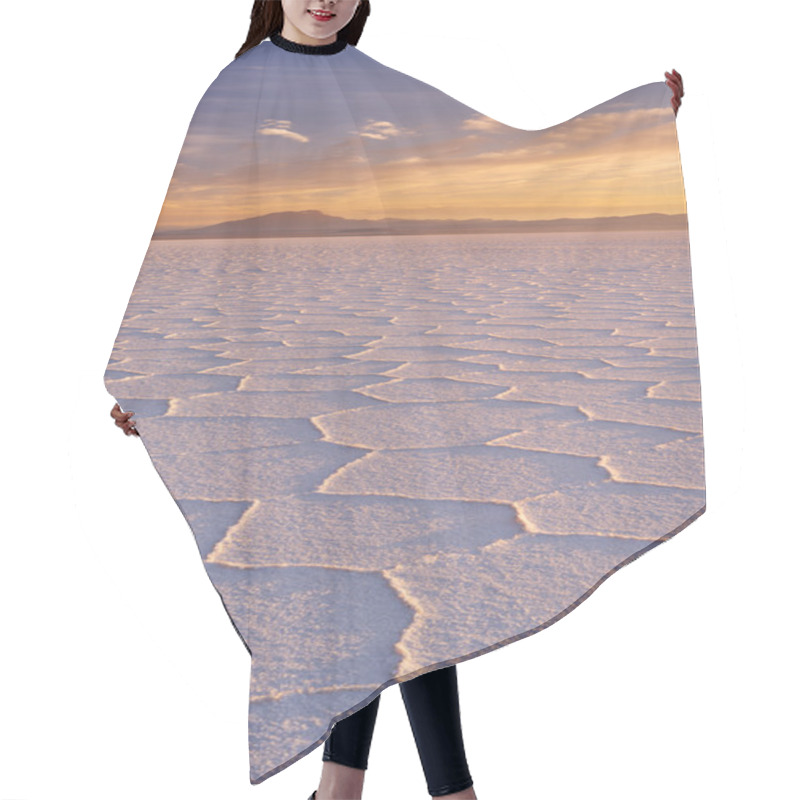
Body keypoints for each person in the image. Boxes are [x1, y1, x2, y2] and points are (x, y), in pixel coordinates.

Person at [110, 2, 685, 798]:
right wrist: (154, 366)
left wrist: (630, 132)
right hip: (291, 380)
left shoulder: (379, 86)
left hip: (391, 377)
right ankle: (430, 792)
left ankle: (349, 790)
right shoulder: (236, 90)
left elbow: (494, 176)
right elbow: (193, 238)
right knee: (364, 582)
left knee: (412, 576)